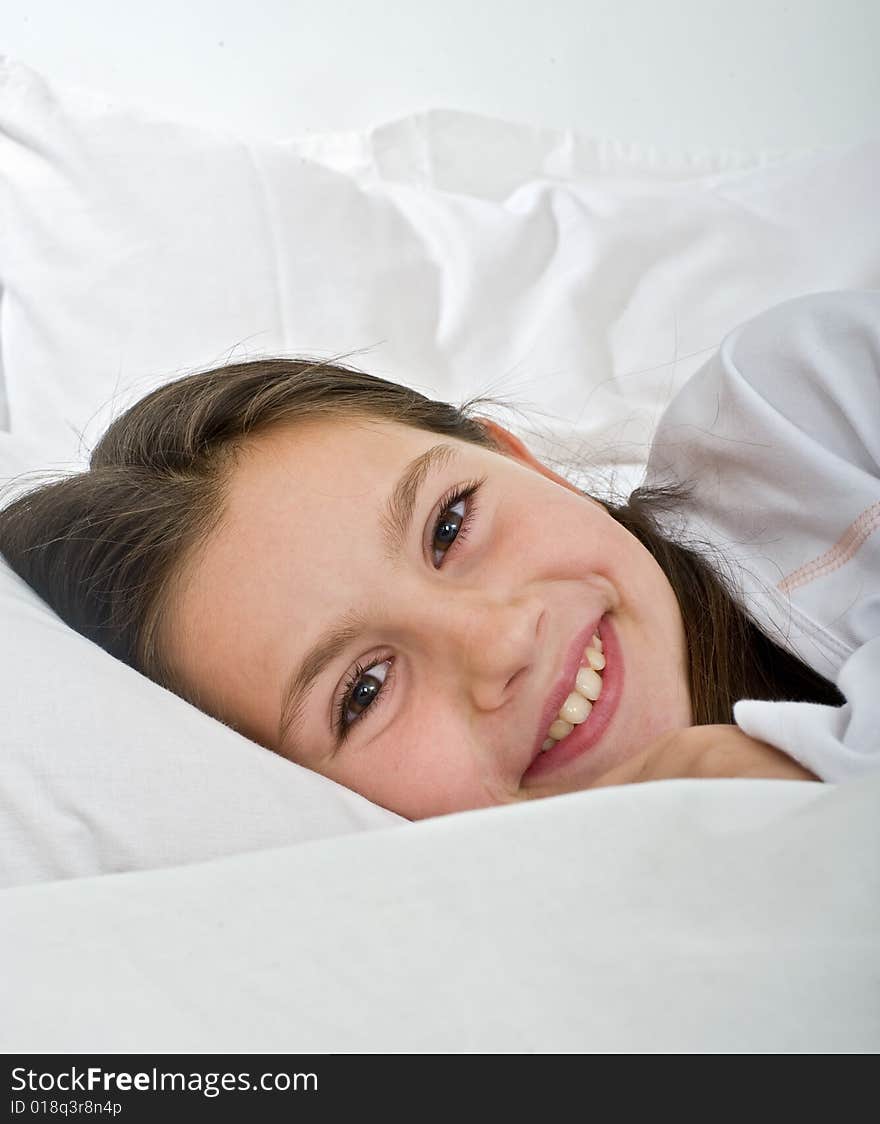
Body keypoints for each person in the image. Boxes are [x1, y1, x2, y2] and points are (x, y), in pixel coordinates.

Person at [1, 289, 876, 819]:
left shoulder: (807, 412)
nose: (498, 645)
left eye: (450, 526)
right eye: (364, 692)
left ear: (525, 462)